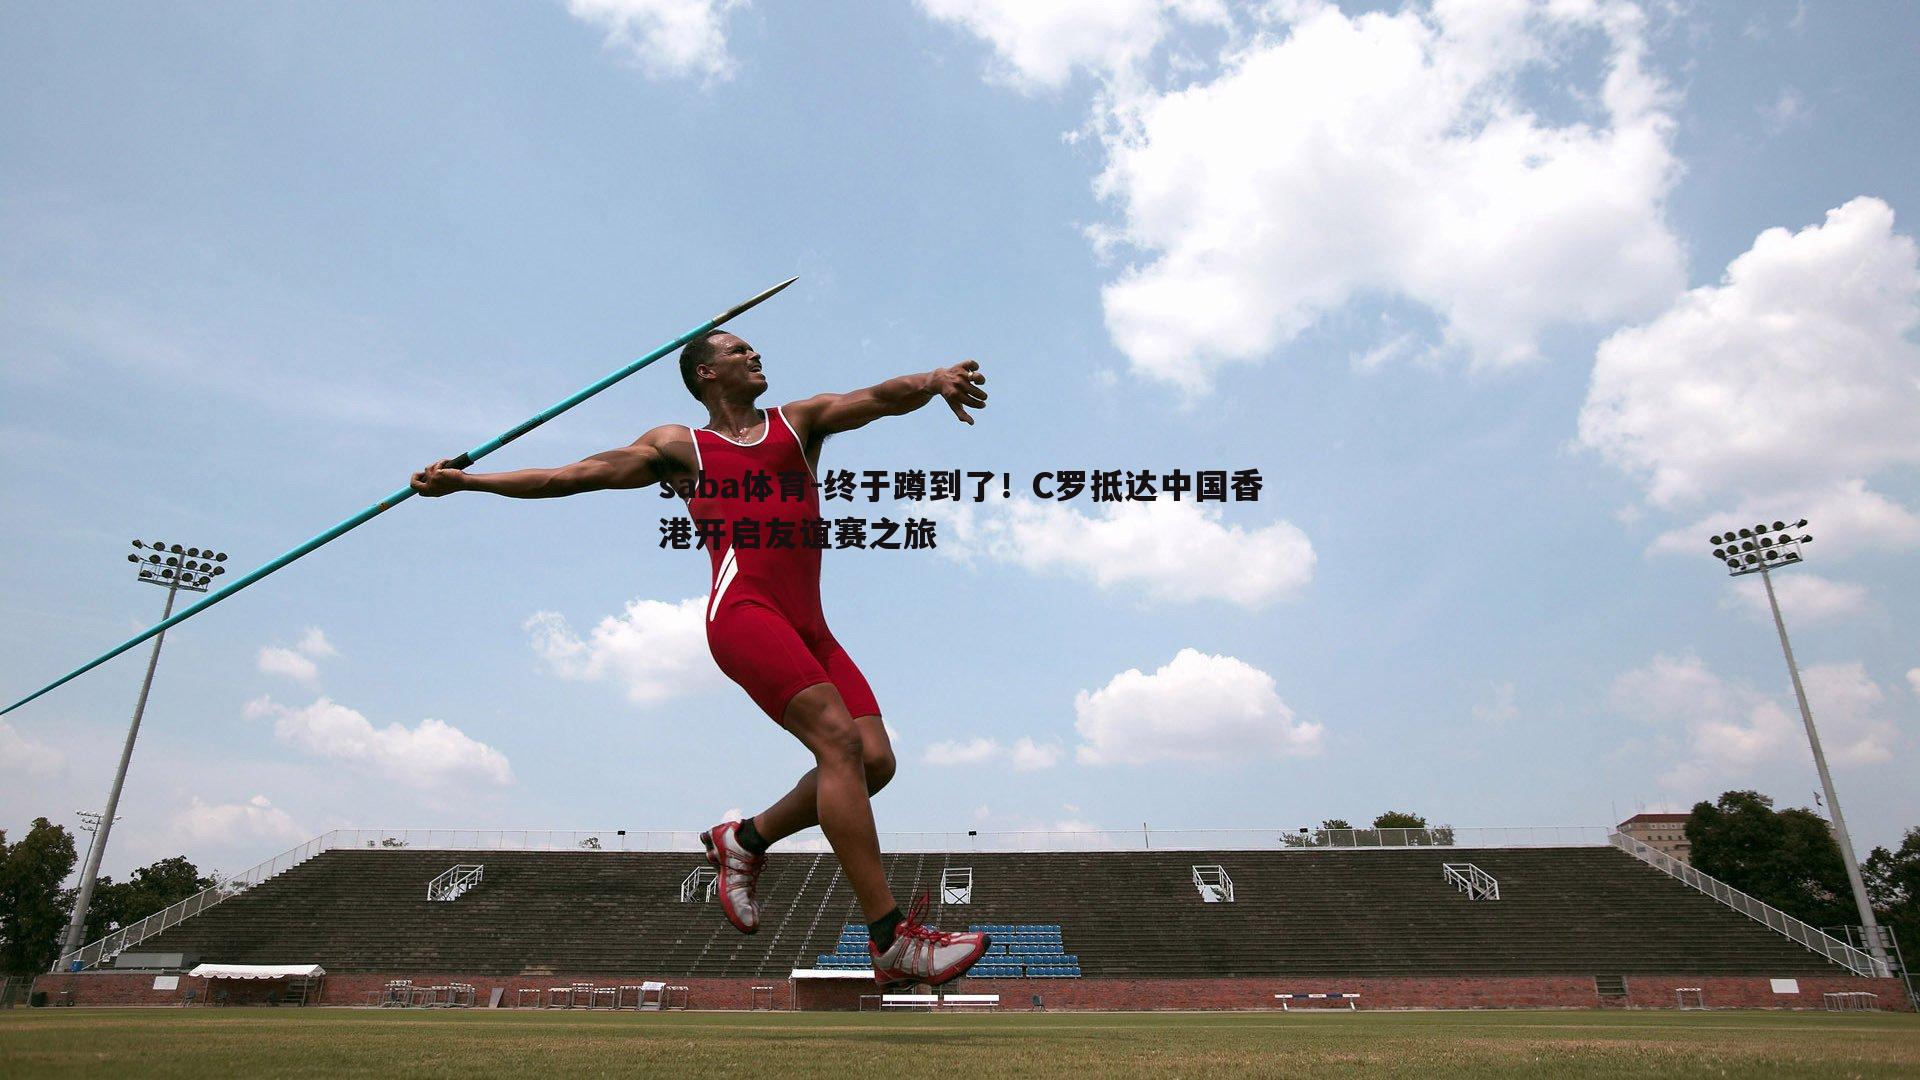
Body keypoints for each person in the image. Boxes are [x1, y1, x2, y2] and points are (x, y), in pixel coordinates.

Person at [410, 329, 991, 987]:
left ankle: (744, 840)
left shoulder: (798, 422)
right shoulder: (679, 446)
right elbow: (572, 476)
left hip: (812, 628)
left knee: (874, 762)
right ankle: (889, 938)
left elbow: (878, 397)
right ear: (705, 373)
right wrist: (468, 482)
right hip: (745, 612)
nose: (755, 354)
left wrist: (933, 380)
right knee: (839, 742)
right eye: (738, 350)